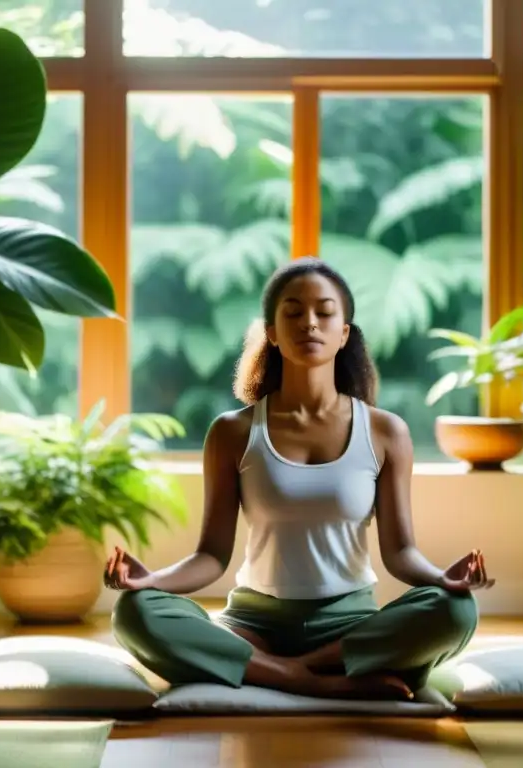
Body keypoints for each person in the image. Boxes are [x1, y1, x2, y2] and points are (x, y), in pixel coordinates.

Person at [104, 258, 494, 702]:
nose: (310, 323)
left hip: (349, 630)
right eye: (293, 312)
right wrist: (149, 582)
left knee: (456, 611)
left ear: (344, 332)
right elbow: (210, 557)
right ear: (271, 331)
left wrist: (445, 579)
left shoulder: (386, 432)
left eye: (324, 312)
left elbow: (401, 553)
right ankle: (313, 681)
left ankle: (275, 672)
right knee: (135, 613)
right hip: (254, 629)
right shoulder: (233, 432)